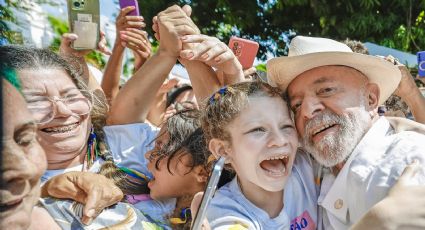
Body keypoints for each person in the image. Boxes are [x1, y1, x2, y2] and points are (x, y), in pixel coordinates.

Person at [267, 35, 425, 229]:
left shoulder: (409, 160)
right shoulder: (313, 171)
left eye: (326, 90)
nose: (307, 111)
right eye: (297, 105)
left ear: (370, 98)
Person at [200, 81, 317, 229]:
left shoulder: (307, 167)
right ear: (223, 150)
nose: (280, 140)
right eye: (258, 130)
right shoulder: (223, 213)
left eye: (286, 126)